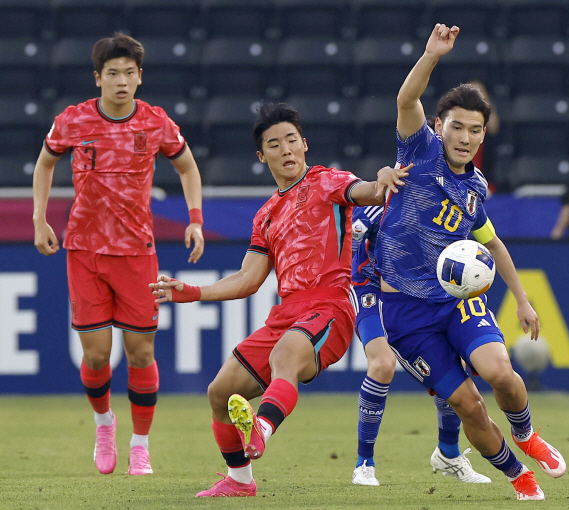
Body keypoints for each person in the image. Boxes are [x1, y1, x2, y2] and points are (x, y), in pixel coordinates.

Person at [150, 103, 408, 498]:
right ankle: (239, 481)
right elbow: (248, 278)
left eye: (291, 140)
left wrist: (383, 179)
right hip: (287, 314)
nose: (285, 149)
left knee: (285, 356)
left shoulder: (326, 181)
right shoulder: (266, 215)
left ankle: (262, 427)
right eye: (275, 144)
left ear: (304, 144)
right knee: (219, 393)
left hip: (330, 307)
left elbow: (368, 191)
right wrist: (191, 292)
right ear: (262, 156)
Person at [375, 24, 567, 500]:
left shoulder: (475, 188)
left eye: (474, 130)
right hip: (405, 314)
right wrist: (431, 55)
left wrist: (522, 301)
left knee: (503, 373)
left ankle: (525, 433)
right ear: (440, 126)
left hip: (452, 300)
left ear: (483, 136)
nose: (464, 136)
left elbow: (494, 244)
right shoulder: (418, 150)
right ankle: (516, 475)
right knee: (469, 405)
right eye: (456, 126)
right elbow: (405, 100)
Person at [32, 33, 205, 476]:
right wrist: (39, 219)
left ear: (140, 77)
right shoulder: (72, 121)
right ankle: (104, 425)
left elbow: (186, 165)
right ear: (98, 78)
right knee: (95, 355)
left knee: (141, 353)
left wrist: (195, 218)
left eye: (130, 73)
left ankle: (141, 444)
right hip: (84, 251)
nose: (122, 82)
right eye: (113, 74)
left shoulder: (155, 123)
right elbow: (45, 162)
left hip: (136, 253)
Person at [350, 205, 490, 486]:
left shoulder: (442, 199)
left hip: (421, 292)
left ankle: (448, 453)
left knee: (452, 366)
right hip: (371, 288)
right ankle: (364, 463)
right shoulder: (382, 203)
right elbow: (344, 242)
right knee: (382, 364)